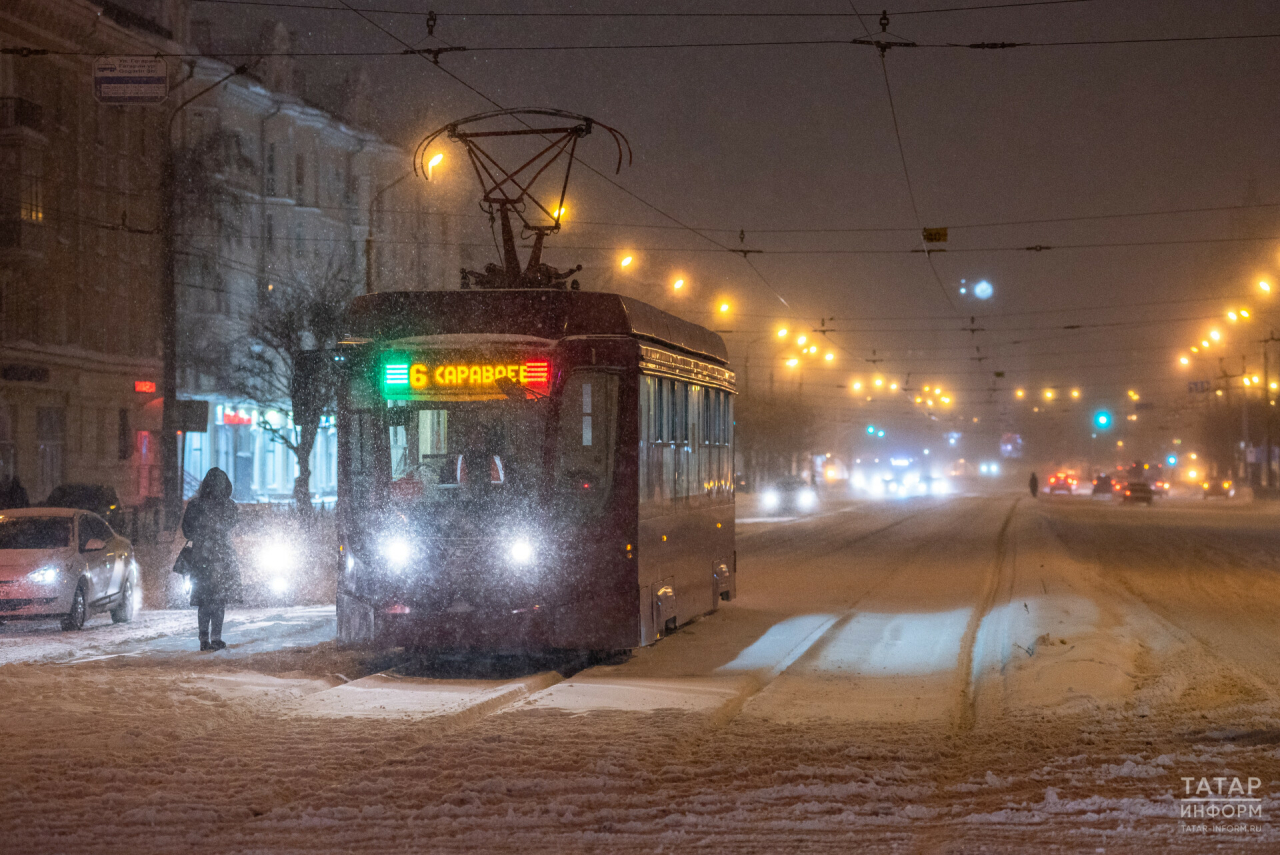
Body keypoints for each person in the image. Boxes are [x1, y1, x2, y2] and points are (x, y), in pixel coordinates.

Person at [182, 468, 241, 651]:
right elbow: (231, 523)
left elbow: (187, 531)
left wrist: (201, 535)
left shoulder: (195, 505)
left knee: (204, 599)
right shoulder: (228, 506)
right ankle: (216, 637)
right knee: (218, 600)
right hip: (222, 557)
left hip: (201, 558)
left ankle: (203, 639)